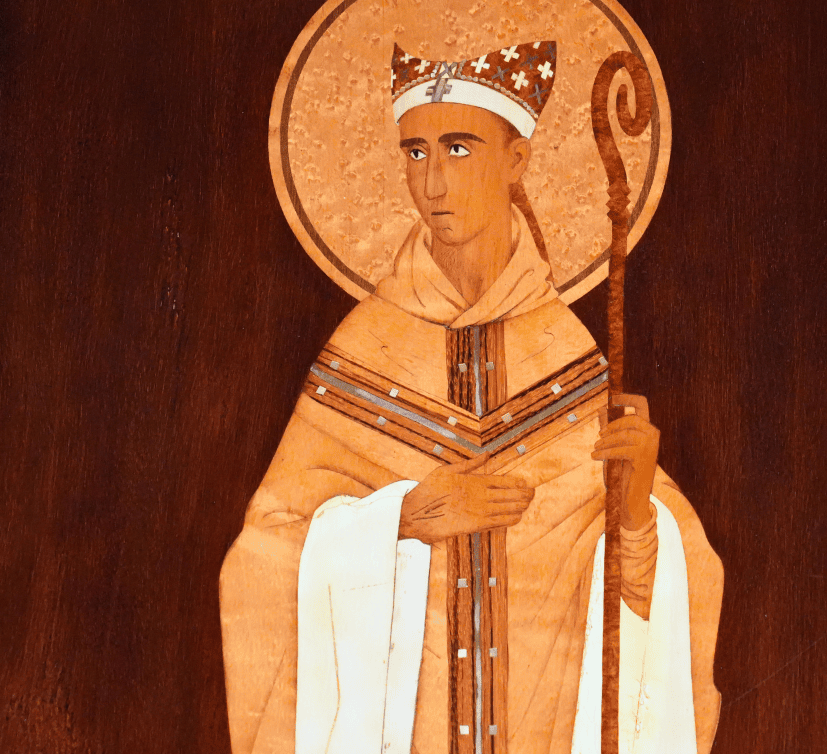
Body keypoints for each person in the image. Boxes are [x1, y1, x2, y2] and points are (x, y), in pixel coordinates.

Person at [220, 41, 722, 754]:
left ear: (517, 160)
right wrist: (400, 520)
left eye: (459, 148)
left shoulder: (564, 352)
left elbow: (671, 584)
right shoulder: (366, 348)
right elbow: (261, 560)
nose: (432, 182)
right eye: (415, 152)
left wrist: (637, 514)